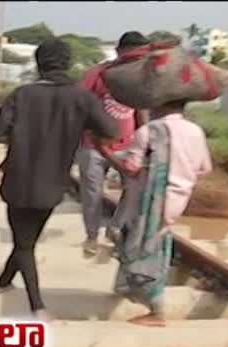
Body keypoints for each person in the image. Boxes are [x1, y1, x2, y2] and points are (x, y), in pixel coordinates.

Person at [0, 38, 118, 322]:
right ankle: (2, 282)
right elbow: (112, 129)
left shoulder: (21, 94)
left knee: (24, 242)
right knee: (26, 239)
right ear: (68, 63)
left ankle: (37, 307)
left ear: (38, 64)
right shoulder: (81, 97)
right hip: (53, 183)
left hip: (18, 179)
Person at [95, 99, 212, 327]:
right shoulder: (196, 131)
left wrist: (105, 151)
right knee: (158, 244)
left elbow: (131, 169)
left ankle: (157, 311)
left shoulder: (149, 131)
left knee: (144, 249)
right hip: (178, 199)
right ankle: (136, 293)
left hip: (148, 203)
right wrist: (180, 179)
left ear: (158, 106)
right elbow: (204, 169)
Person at [77, 31, 151, 256]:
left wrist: (145, 139)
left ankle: (115, 226)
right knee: (92, 193)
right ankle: (91, 236)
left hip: (127, 146)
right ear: (119, 52)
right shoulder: (98, 74)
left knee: (134, 186)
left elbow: (142, 110)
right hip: (93, 145)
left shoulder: (140, 78)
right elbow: (79, 102)